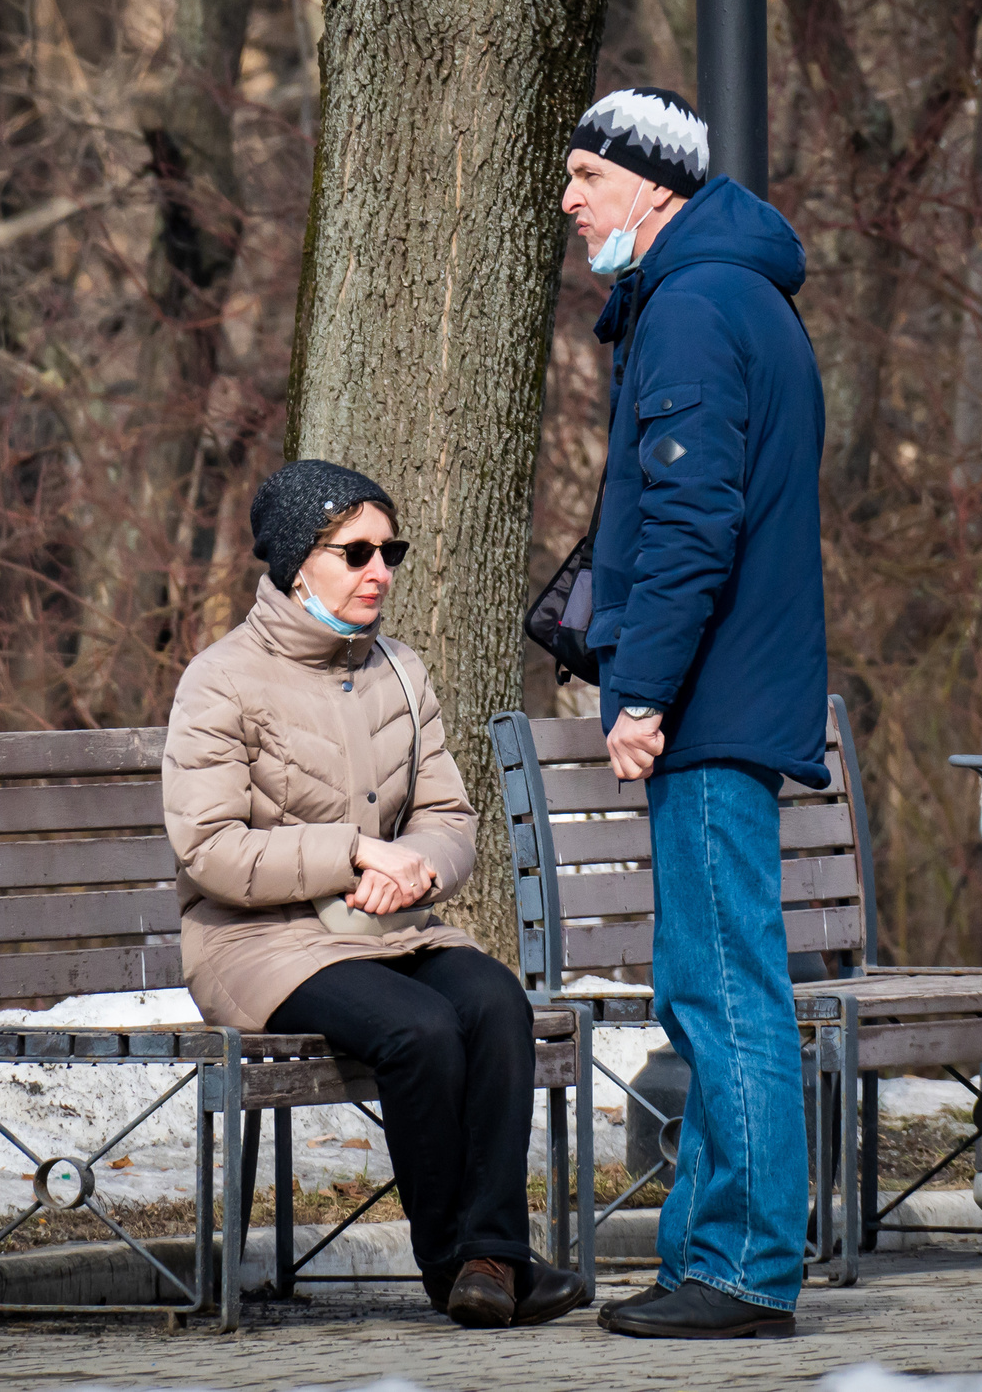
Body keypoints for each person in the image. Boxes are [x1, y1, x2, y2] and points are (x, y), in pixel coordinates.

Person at [162, 458, 592, 1329]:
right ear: (294, 561)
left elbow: (448, 812)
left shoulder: (401, 669)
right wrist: (355, 851)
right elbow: (209, 848)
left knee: (495, 1001)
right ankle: (452, 1268)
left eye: (389, 550)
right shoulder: (223, 678)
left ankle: (492, 1255)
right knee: (419, 1029)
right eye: (355, 551)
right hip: (259, 944)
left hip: (383, 932)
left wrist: (424, 864)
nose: (379, 571)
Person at [560, 87, 828, 1341]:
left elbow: (689, 527)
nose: (569, 202)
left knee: (721, 990)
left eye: (586, 178)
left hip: (708, 706)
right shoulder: (737, 297)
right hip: (733, 694)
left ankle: (743, 1269)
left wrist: (642, 693)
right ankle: (709, 1257)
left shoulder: (693, 308)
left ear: (652, 187)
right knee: (713, 985)